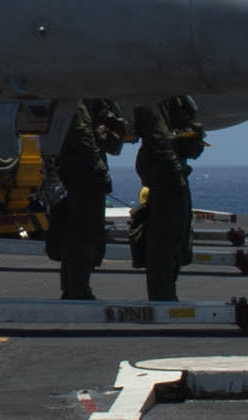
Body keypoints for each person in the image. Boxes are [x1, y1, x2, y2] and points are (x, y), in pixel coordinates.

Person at [44, 103, 117, 299]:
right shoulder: (78, 105)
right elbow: (83, 137)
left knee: (77, 234)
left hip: (77, 175)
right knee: (85, 234)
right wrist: (99, 169)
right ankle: (78, 288)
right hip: (84, 176)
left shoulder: (83, 105)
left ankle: (73, 287)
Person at [133, 102, 202, 301]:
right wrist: (174, 172)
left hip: (174, 173)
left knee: (176, 237)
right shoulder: (153, 99)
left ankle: (166, 292)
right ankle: (161, 294)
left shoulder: (175, 100)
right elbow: (158, 139)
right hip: (167, 176)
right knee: (164, 239)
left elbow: (187, 144)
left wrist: (193, 136)